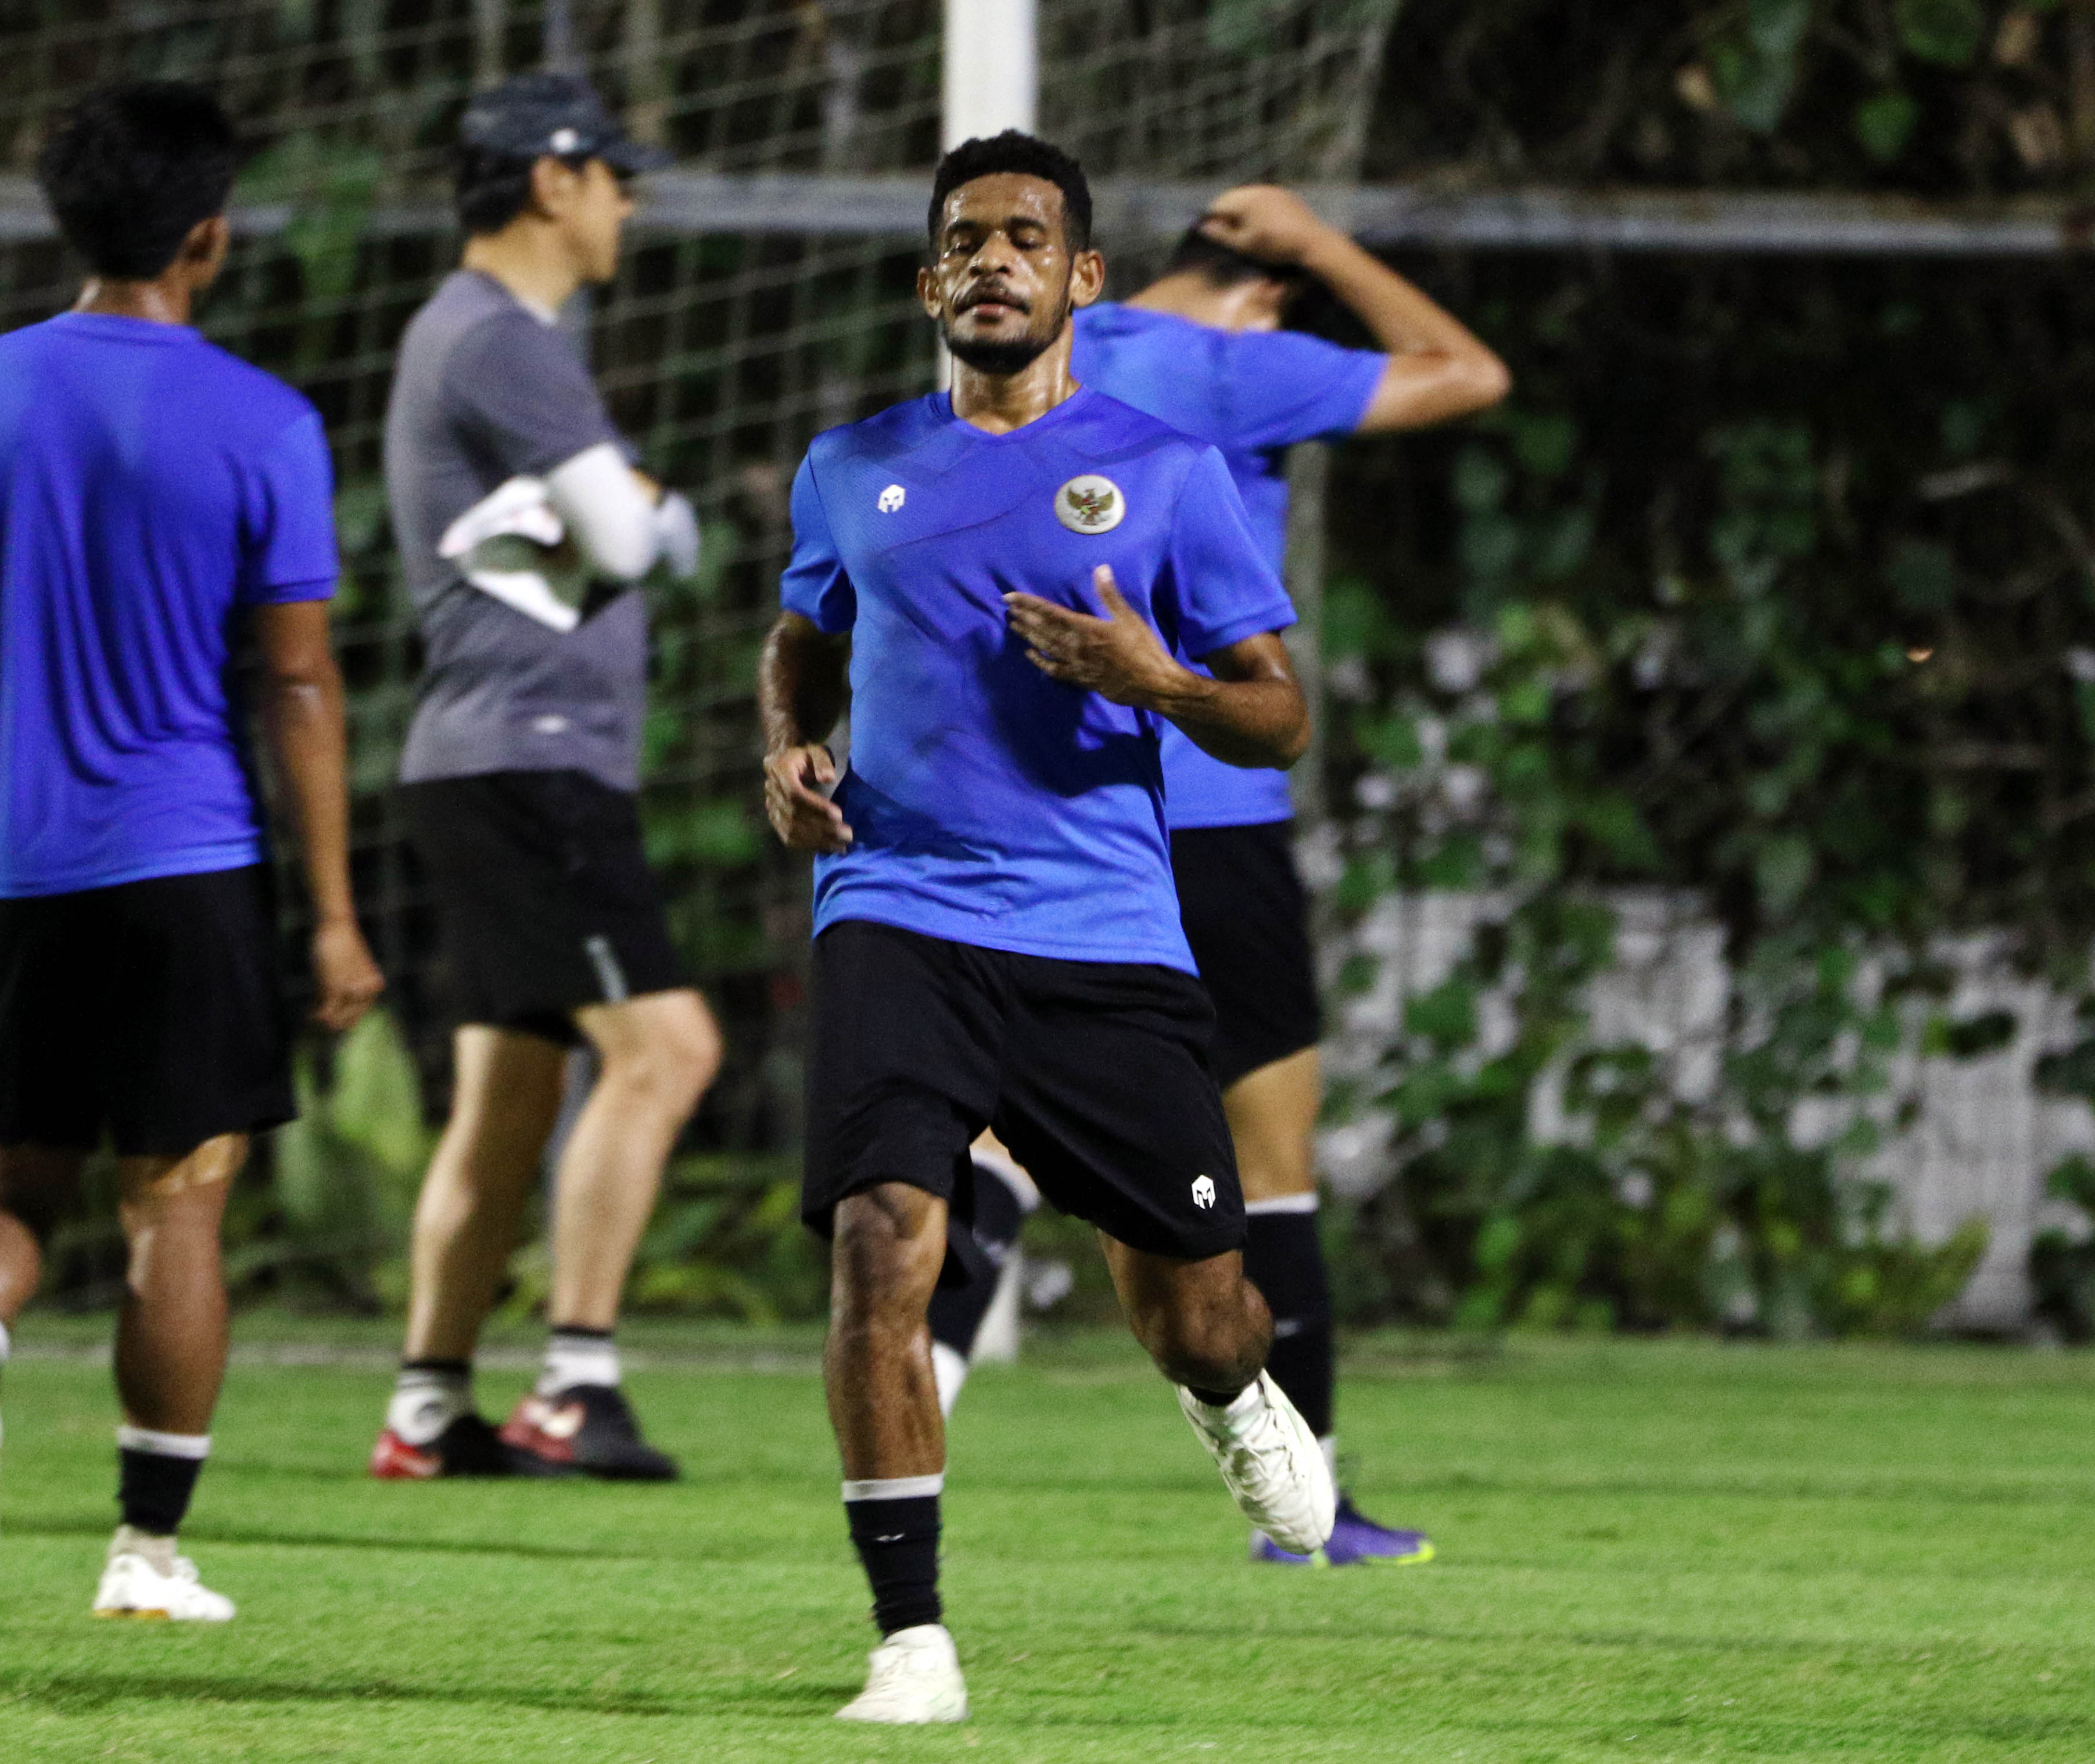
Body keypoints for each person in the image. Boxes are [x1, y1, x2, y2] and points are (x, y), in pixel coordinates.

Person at [759, 131, 1336, 1726]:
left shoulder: (1166, 466)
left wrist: (1150, 679)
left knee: (1197, 1303)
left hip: (1101, 929)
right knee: (885, 1236)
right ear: (928, 277)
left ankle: (1230, 1398)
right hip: (897, 901)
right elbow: (804, 638)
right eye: (966, 239)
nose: (994, 260)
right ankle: (911, 1638)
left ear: (1082, 276)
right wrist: (786, 746)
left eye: (1027, 237)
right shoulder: (848, 464)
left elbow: (1277, 715)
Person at [922, 188, 1510, 1569]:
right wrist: (1324, 248)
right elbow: (1468, 374)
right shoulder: (1232, 364)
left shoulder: (1036, 350)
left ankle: (916, 1412)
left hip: (1040, 804)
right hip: (1211, 807)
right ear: (1259, 295)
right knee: (1273, 1157)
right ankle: (1308, 1509)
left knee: (1008, 1127)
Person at [0, 80, 383, 1620]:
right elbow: (292, 678)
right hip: (188, 859)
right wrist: (339, 912)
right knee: (177, 1202)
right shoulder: (265, 421)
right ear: (209, 237)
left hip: (19, 865)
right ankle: (147, 1551)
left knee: (4, 1183)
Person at [370, 73, 720, 1483]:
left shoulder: (468, 334)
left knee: (509, 1095)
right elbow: (630, 543)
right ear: (552, 181)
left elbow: (584, 530)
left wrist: (630, 509)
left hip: (490, 758)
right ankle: (576, 1380)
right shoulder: (503, 341)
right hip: (532, 762)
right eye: (614, 175)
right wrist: (667, 513)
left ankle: (425, 1409)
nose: (629, 201)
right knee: (669, 1047)